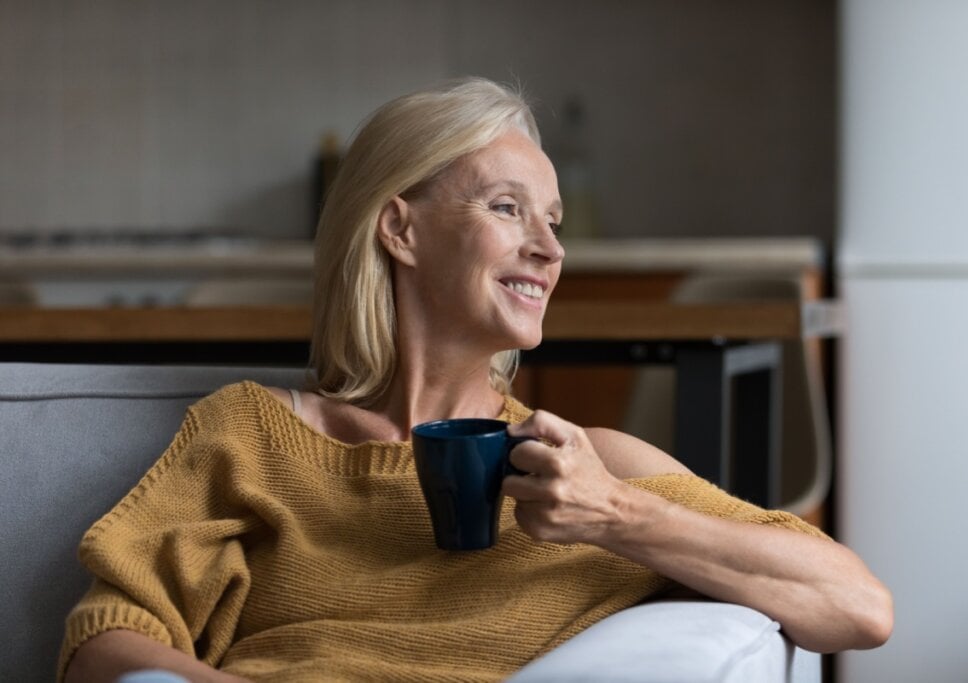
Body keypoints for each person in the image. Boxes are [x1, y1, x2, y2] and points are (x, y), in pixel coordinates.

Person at [60, 77, 892, 683]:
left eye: (554, 222)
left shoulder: (587, 469)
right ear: (400, 229)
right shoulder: (247, 436)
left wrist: (615, 511)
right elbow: (104, 641)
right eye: (507, 208)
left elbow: (858, 607)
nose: (550, 249)